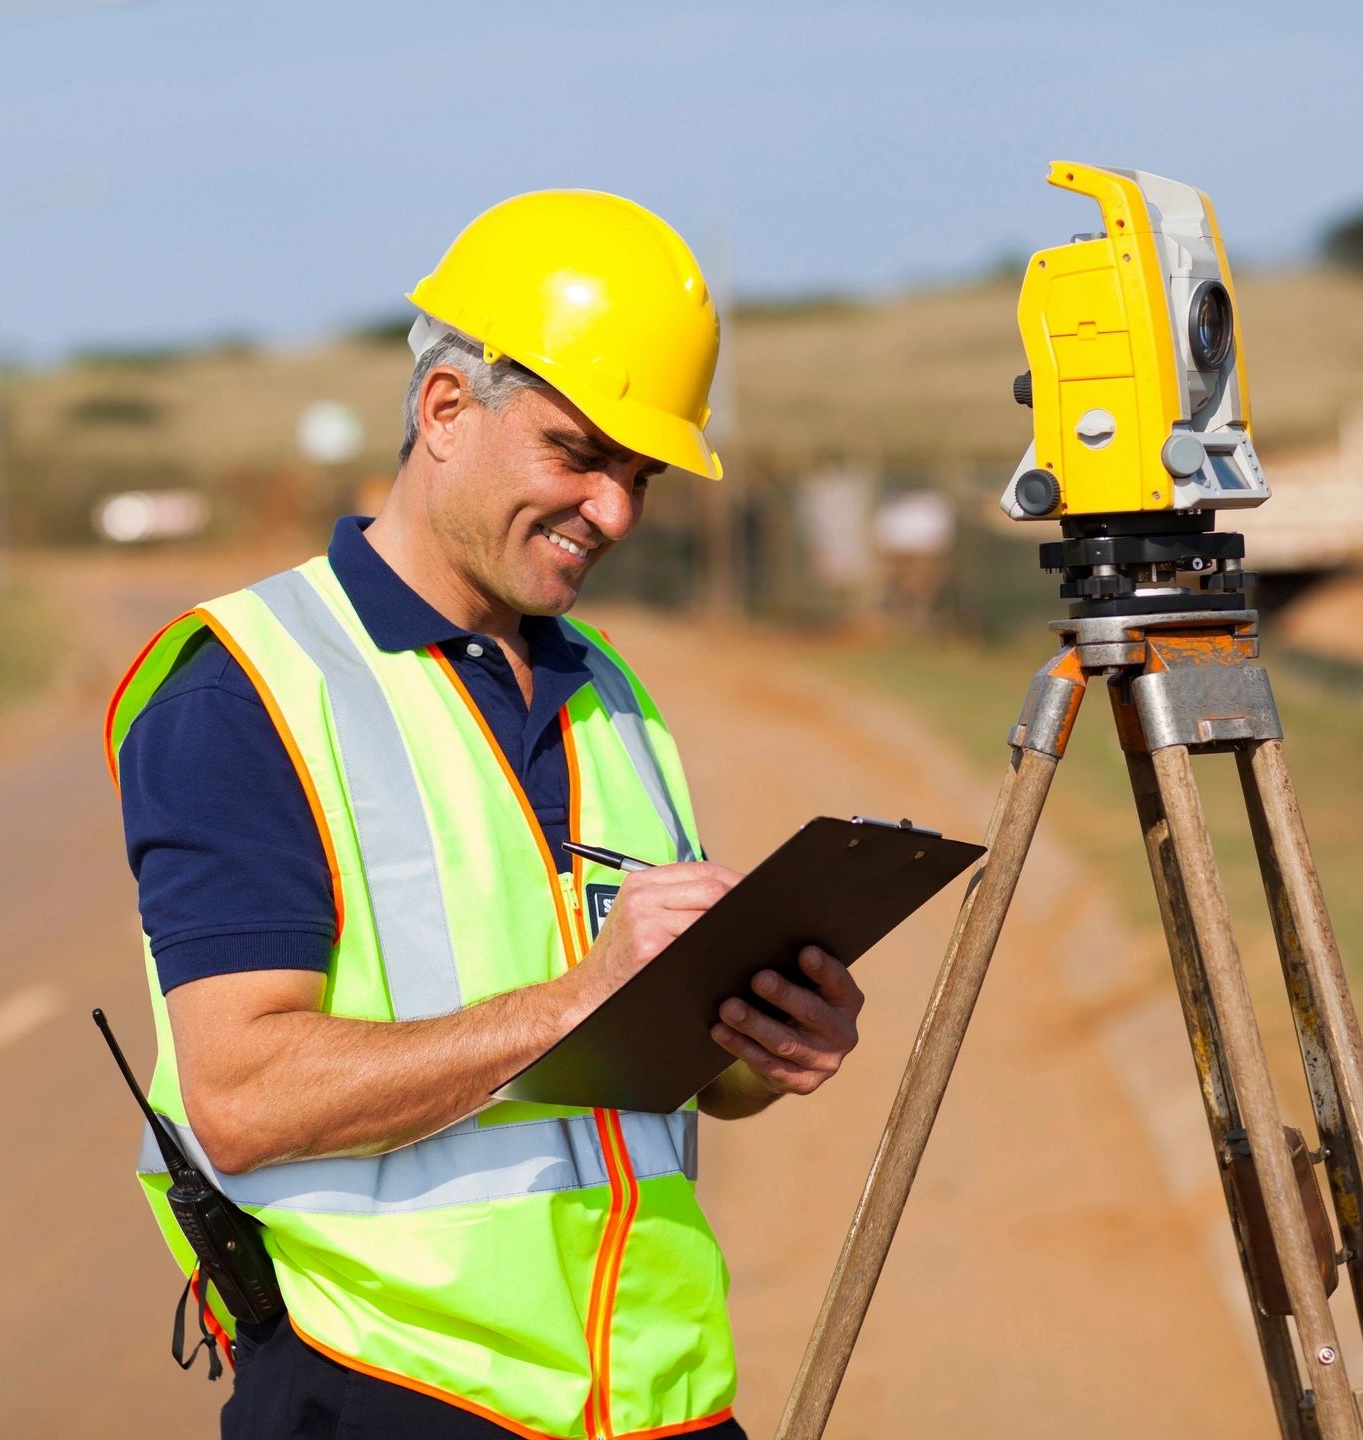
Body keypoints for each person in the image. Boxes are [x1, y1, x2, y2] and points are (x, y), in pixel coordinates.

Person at [107, 190, 866, 1440]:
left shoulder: (607, 689)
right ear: (446, 409)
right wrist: (578, 1001)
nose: (614, 512)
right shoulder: (247, 689)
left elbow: (664, 1075)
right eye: (578, 454)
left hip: (660, 1399)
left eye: (638, 475)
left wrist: (760, 1048)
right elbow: (238, 1095)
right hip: (396, 1398)